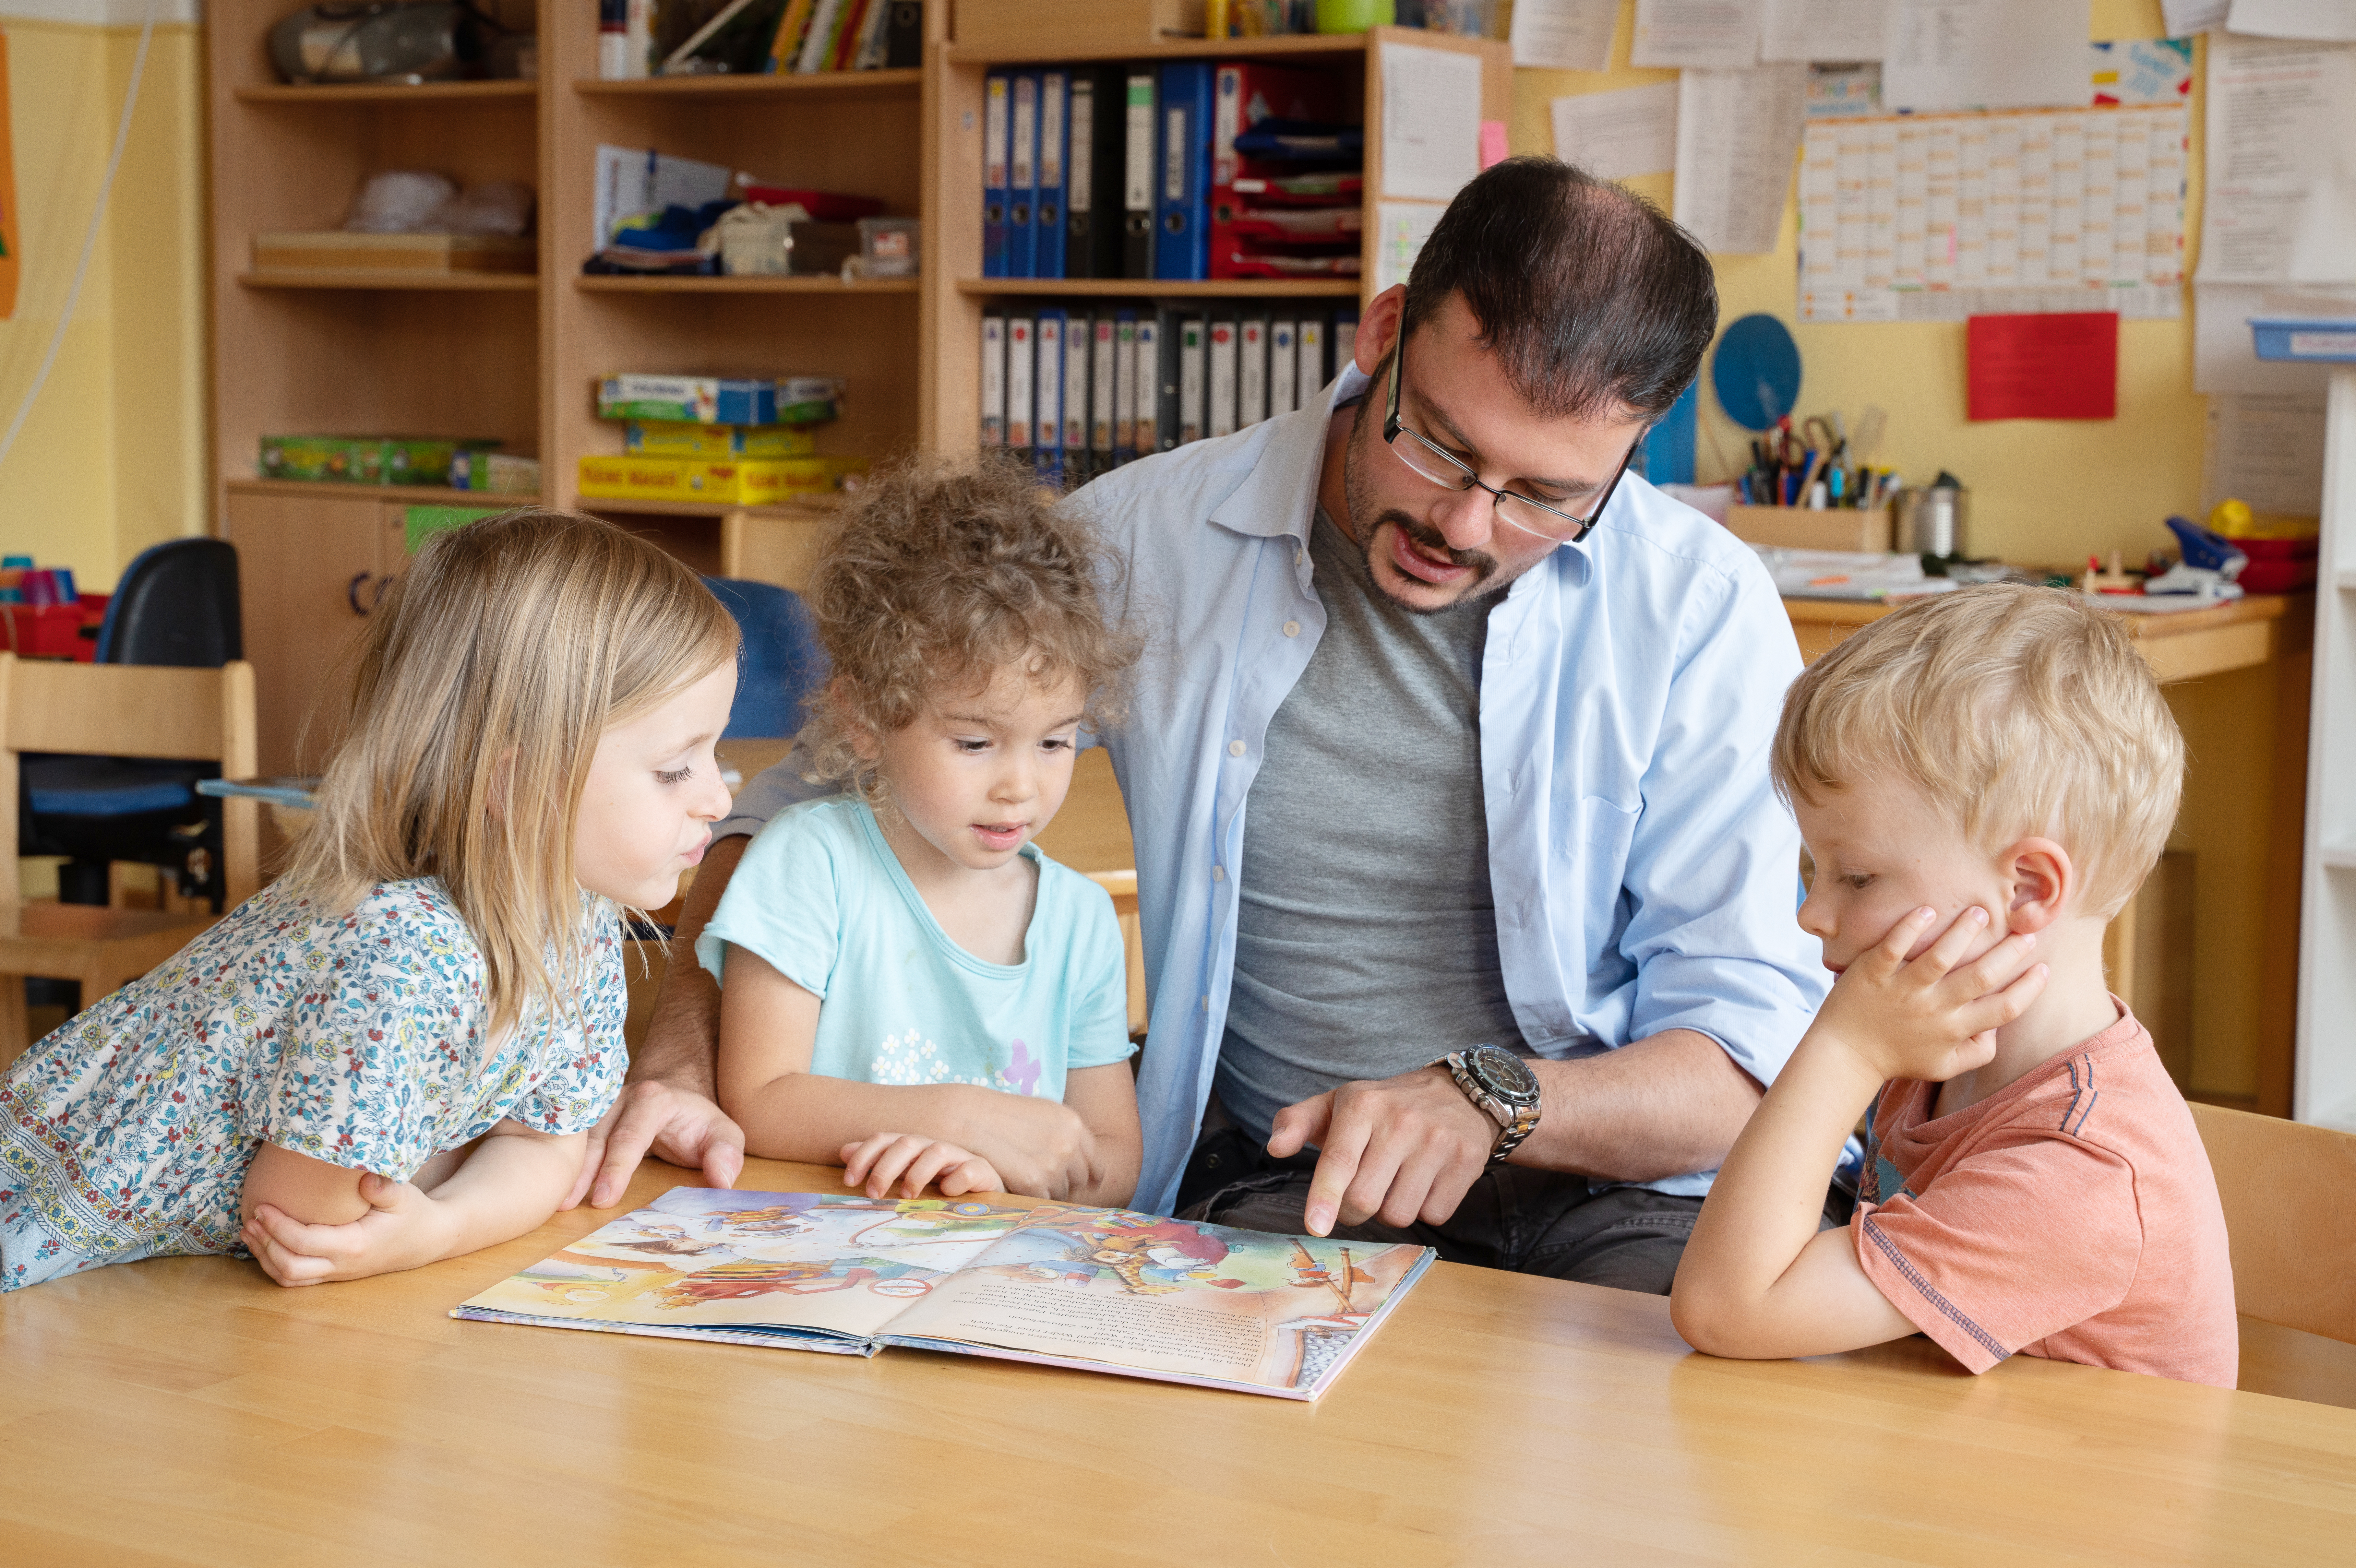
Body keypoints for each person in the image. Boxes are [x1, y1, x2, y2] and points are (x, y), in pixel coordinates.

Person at [609, 157, 1830, 1294]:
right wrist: (674, 1058)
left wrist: (1492, 1099)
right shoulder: (1142, 538)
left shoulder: (1699, 613)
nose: (1465, 525)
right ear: (1384, 336)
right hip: (1291, 1185)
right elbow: (796, 805)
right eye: (1441, 446)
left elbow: (1748, 1060)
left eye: (1546, 498)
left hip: (1619, 1199)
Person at [0, 510, 739, 1290]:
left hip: (128, 1283)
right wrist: (452, 1178)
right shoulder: (404, 953)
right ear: (515, 783)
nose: (720, 799)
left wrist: (441, 1226)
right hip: (35, 1249)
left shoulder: (579, 915)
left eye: (713, 754)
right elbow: (297, 1225)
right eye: (675, 768)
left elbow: (549, 1146)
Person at [1670, 586, 2238, 1387]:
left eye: (1858, 877)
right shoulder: (1934, 1051)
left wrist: (1844, 1046)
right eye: (1811, 869)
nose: (1812, 914)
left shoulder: (2080, 1168)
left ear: (2029, 889)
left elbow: (1727, 1308)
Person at [705, 457, 1143, 1206]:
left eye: (1055, 741)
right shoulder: (809, 863)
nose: (1021, 786)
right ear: (865, 718)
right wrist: (959, 1117)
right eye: (975, 743)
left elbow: (1113, 1159)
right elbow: (758, 1097)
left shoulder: (1080, 920)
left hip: (995, 1273)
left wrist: (1002, 1176)